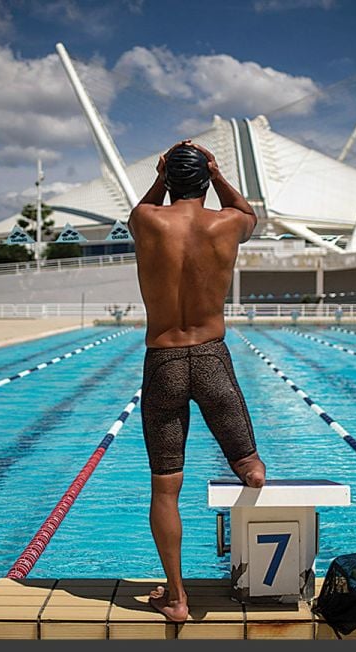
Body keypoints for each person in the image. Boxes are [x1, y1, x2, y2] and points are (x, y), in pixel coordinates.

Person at [127, 140, 267, 623]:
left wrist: (164, 172)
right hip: (211, 357)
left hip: (163, 360)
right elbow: (248, 213)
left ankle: (177, 598)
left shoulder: (147, 221)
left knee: (165, 489)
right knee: (248, 463)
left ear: (167, 179)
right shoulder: (227, 224)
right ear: (207, 178)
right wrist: (218, 173)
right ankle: (248, 471)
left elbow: (142, 205)